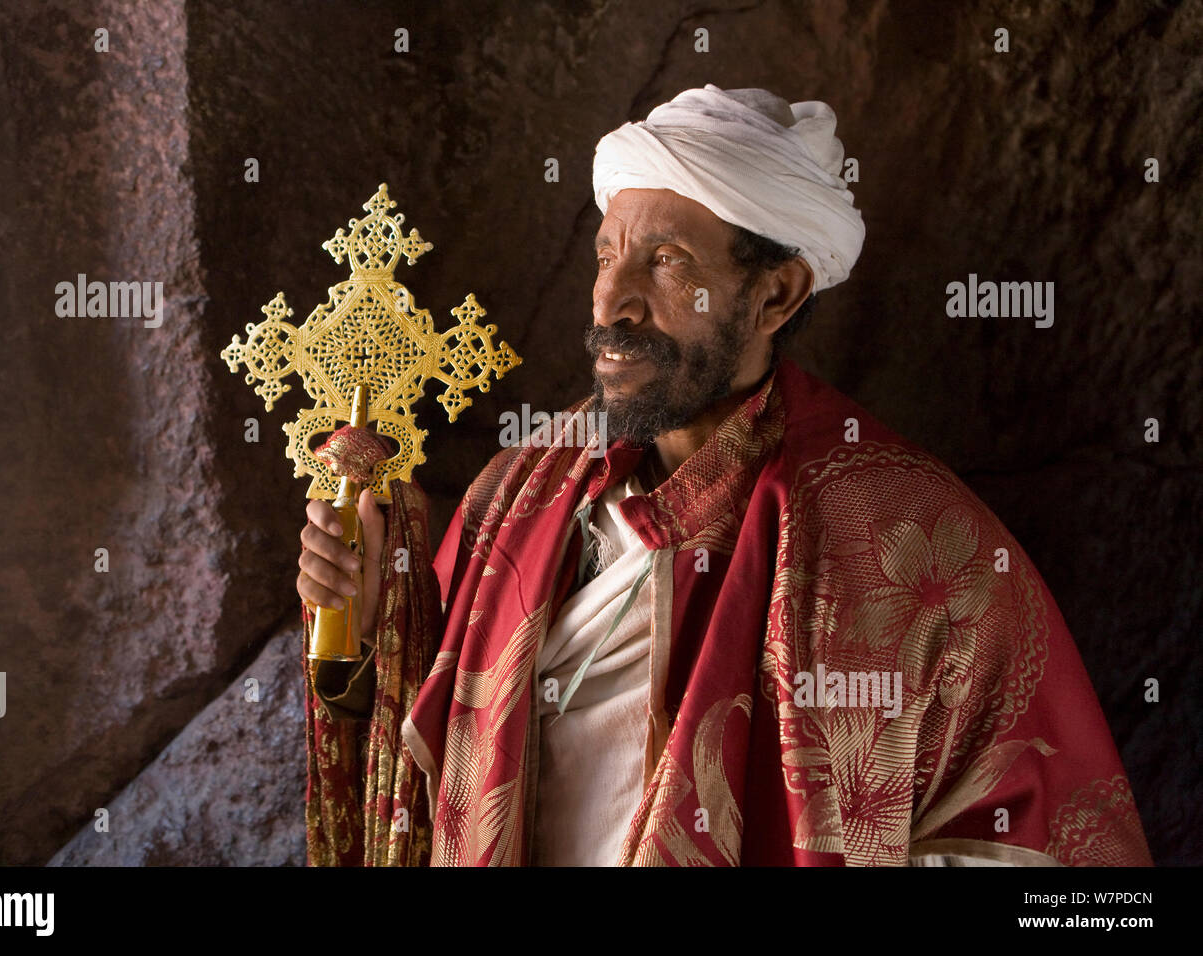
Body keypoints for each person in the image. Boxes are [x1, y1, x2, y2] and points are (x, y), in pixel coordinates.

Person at [296, 84, 1152, 867]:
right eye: (606, 256)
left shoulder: (908, 538)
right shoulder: (522, 489)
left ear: (776, 295)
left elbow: (1065, 865)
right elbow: (420, 750)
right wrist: (371, 625)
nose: (613, 303)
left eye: (667, 263)